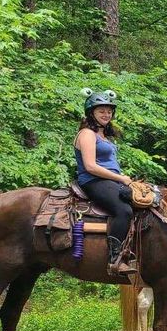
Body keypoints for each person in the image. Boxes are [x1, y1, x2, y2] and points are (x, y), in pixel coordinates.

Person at [74, 89, 136, 276]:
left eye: (109, 111)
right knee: (123, 210)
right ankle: (115, 259)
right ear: (91, 112)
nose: (106, 114)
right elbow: (91, 166)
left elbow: (110, 165)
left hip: (109, 180)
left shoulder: (104, 137)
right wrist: (120, 178)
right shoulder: (86, 134)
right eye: (101, 111)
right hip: (93, 181)